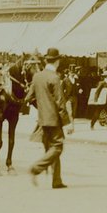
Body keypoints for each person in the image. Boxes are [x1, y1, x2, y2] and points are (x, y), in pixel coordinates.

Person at [26, 48, 67, 189]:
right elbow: (60, 102)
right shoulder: (54, 77)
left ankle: (57, 180)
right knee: (57, 147)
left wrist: (42, 108)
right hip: (54, 119)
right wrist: (67, 123)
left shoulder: (37, 76)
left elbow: (29, 97)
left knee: (51, 149)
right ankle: (36, 168)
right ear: (57, 61)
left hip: (42, 119)